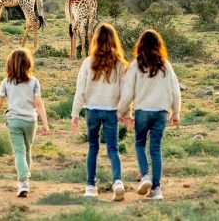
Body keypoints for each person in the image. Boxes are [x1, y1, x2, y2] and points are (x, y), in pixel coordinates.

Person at [118, 29, 181, 200]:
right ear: (159, 46)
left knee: (139, 144)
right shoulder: (165, 65)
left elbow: (127, 93)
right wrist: (176, 112)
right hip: (161, 112)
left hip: (143, 111)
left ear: (140, 45)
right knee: (155, 148)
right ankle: (157, 189)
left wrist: (121, 112)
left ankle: (145, 175)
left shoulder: (136, 65)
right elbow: (175, 91)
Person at [71, 23, 129, 201]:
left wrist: (75, 113)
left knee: (93, 148)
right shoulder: (119, 64)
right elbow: (125, 92)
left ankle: (90, 186)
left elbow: (80, 89)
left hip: (92, 110)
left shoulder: (88, 63)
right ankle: (117, 181)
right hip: (111, 110)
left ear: (95, 40)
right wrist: (127, 114)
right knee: (113, 148)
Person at [0, 48, 49, 198]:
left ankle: (23, 181)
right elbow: (39, 103)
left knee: (19, 152)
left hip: (14, 121)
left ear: (10, 65)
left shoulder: (6, 83)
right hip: (30, 121)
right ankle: (25, 179)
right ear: (28, 64)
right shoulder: (34, 82)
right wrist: (45, 123)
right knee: (27, 151)